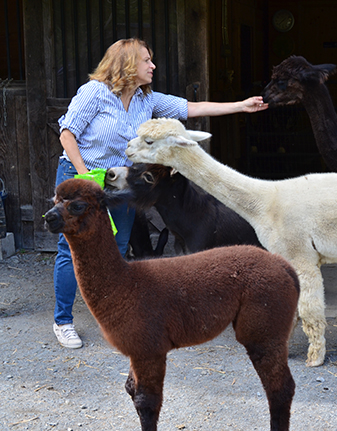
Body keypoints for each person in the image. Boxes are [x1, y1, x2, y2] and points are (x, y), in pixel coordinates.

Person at [53, 38, 267, 349]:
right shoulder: (94, 93)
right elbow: (67, 134)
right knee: (70, 249)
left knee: (118, 246)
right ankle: (63, 321)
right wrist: (85, 176)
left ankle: (111, 313)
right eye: (146, 61)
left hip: (116, 181)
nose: (152, 66)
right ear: (127, 64)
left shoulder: (146, 99)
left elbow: (190, 108)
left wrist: (241, 106)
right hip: (81, 174)